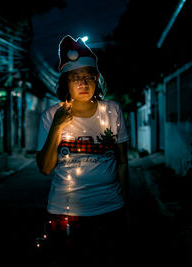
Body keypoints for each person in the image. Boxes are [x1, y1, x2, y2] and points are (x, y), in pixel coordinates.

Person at [36, 35, 130, 265]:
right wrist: (58, 125)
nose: (83, 84)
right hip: (64, 212)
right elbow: (46, 168)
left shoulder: (112, 111)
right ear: (66, 82)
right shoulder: (51, 115)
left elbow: (122, 161)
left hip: (109, 209)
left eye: (89, 77)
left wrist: (124, 204)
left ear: (97, 79)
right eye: (76, 78)